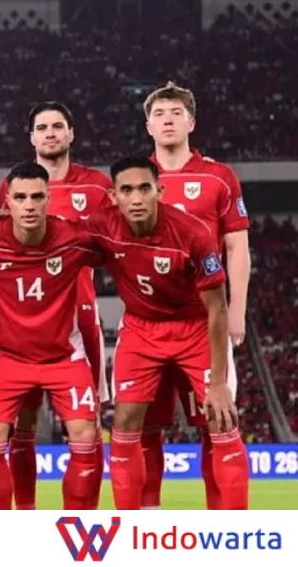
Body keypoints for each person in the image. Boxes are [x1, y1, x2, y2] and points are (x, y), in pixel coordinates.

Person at [87, 155, 249, 510]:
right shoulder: (100, 227)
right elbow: (51, 236)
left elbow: (217, 308)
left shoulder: (193, 233)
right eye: (126, 190)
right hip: (141, 328)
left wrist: (218, 383)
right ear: (113, 196)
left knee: (221, 420)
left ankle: (237, 527)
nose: (136, 198)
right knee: (125, 420)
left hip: (195, 327)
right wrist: (3, 217)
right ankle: (135, 525)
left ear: (159, 191)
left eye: (144, 188)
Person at [0, 101, 111, 510]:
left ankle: (84, 521)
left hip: (80, 315)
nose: (51, 133)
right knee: (22, 426)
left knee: (88, 424)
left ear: (71, 133)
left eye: (58, 126)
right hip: (22, 319)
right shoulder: (12, 185)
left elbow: (114, 241)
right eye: (42, 127)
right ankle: (26, 512)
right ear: (32, 137)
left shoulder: (96, 186)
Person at [140, 82, 251, 510]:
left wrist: (236, 310)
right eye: (159, 113)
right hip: (148, 324)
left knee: (216, 422)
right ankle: (146, 523)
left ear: (191, 123)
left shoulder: (218, 177)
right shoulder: (136, 179)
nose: (168, 119)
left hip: (204, 321)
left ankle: (223, 527)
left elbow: (237, 247)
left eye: (176, 112)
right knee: (144, 427)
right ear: (148, 126)